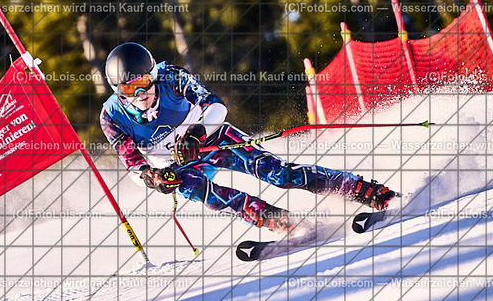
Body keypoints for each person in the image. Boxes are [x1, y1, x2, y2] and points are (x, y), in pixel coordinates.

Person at [99, 42, 396, 235]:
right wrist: (152, 178)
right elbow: (132, 164)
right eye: (129, 89)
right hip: (177, 165)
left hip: (213, 139)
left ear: (153, 74)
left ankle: (363, 190)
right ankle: (283, 222)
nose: (140, 93)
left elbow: (215, 105)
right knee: (211, 196)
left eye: (143, 82)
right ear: (117, 92)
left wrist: (197, 132)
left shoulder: (171, 76)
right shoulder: (111, 117)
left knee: (278, 173)